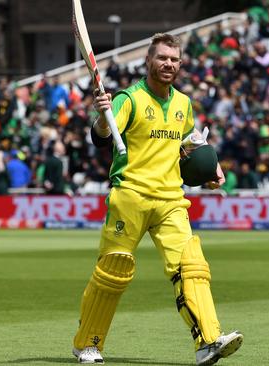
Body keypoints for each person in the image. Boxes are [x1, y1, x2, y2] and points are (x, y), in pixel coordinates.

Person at [72, 33, 243, 365]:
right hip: (130, 195)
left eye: (174, 59)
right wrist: (102, 116)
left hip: (170, 199)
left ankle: (208, 341)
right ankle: (87, 344)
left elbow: (190, 141)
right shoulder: (128, 98)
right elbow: (101, 136)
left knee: (192, 266)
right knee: (113, 270)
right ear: (148, 61)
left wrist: (213, 167)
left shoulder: (183, 103)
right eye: (162, 57)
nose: (169, 64)